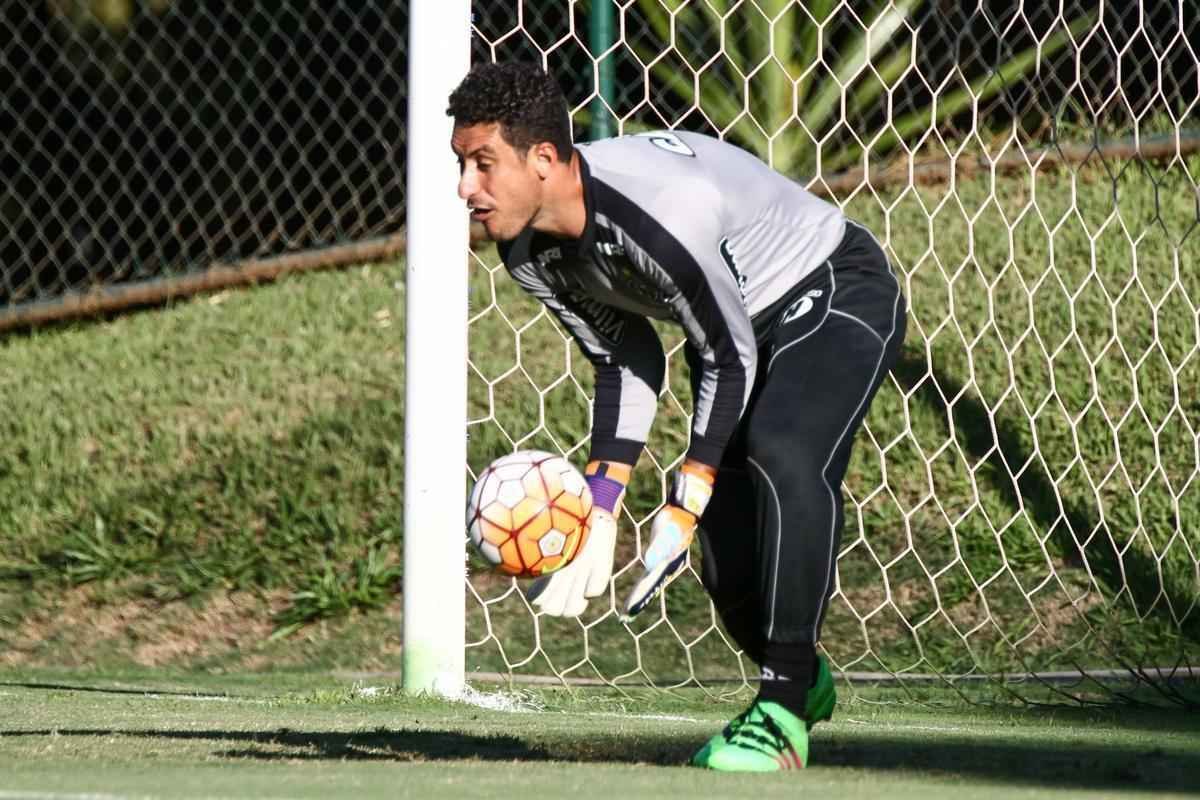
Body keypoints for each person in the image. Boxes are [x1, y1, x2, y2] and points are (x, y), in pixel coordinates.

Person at [447, 61, 906, 772]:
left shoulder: (661, 213)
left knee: (781, 453)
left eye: (482, 164)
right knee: (726, 561)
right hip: (733, 334)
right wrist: (602, 503)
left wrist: (685, 496)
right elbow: (625, 357)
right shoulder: (528, 250)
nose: (465, 188)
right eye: (461, 165)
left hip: (830, 287)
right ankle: (806, 679)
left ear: (542, 159)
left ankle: (781, 711)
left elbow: (727, 354)